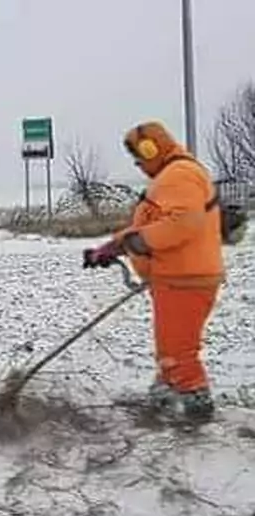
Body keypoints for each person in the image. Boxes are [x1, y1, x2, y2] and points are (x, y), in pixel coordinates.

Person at [84, 121, 224, 423]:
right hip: (177, 277)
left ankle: (197, 411)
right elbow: (153, 224)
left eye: (139, 158)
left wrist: (138, 242)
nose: (138, 165)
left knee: (177, 351)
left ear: (151, 148)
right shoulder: (174, 175)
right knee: (171, 345)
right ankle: (163, 397)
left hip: (186, 279)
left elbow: (183, 224)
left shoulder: (179, 175)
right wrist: (113, 247)